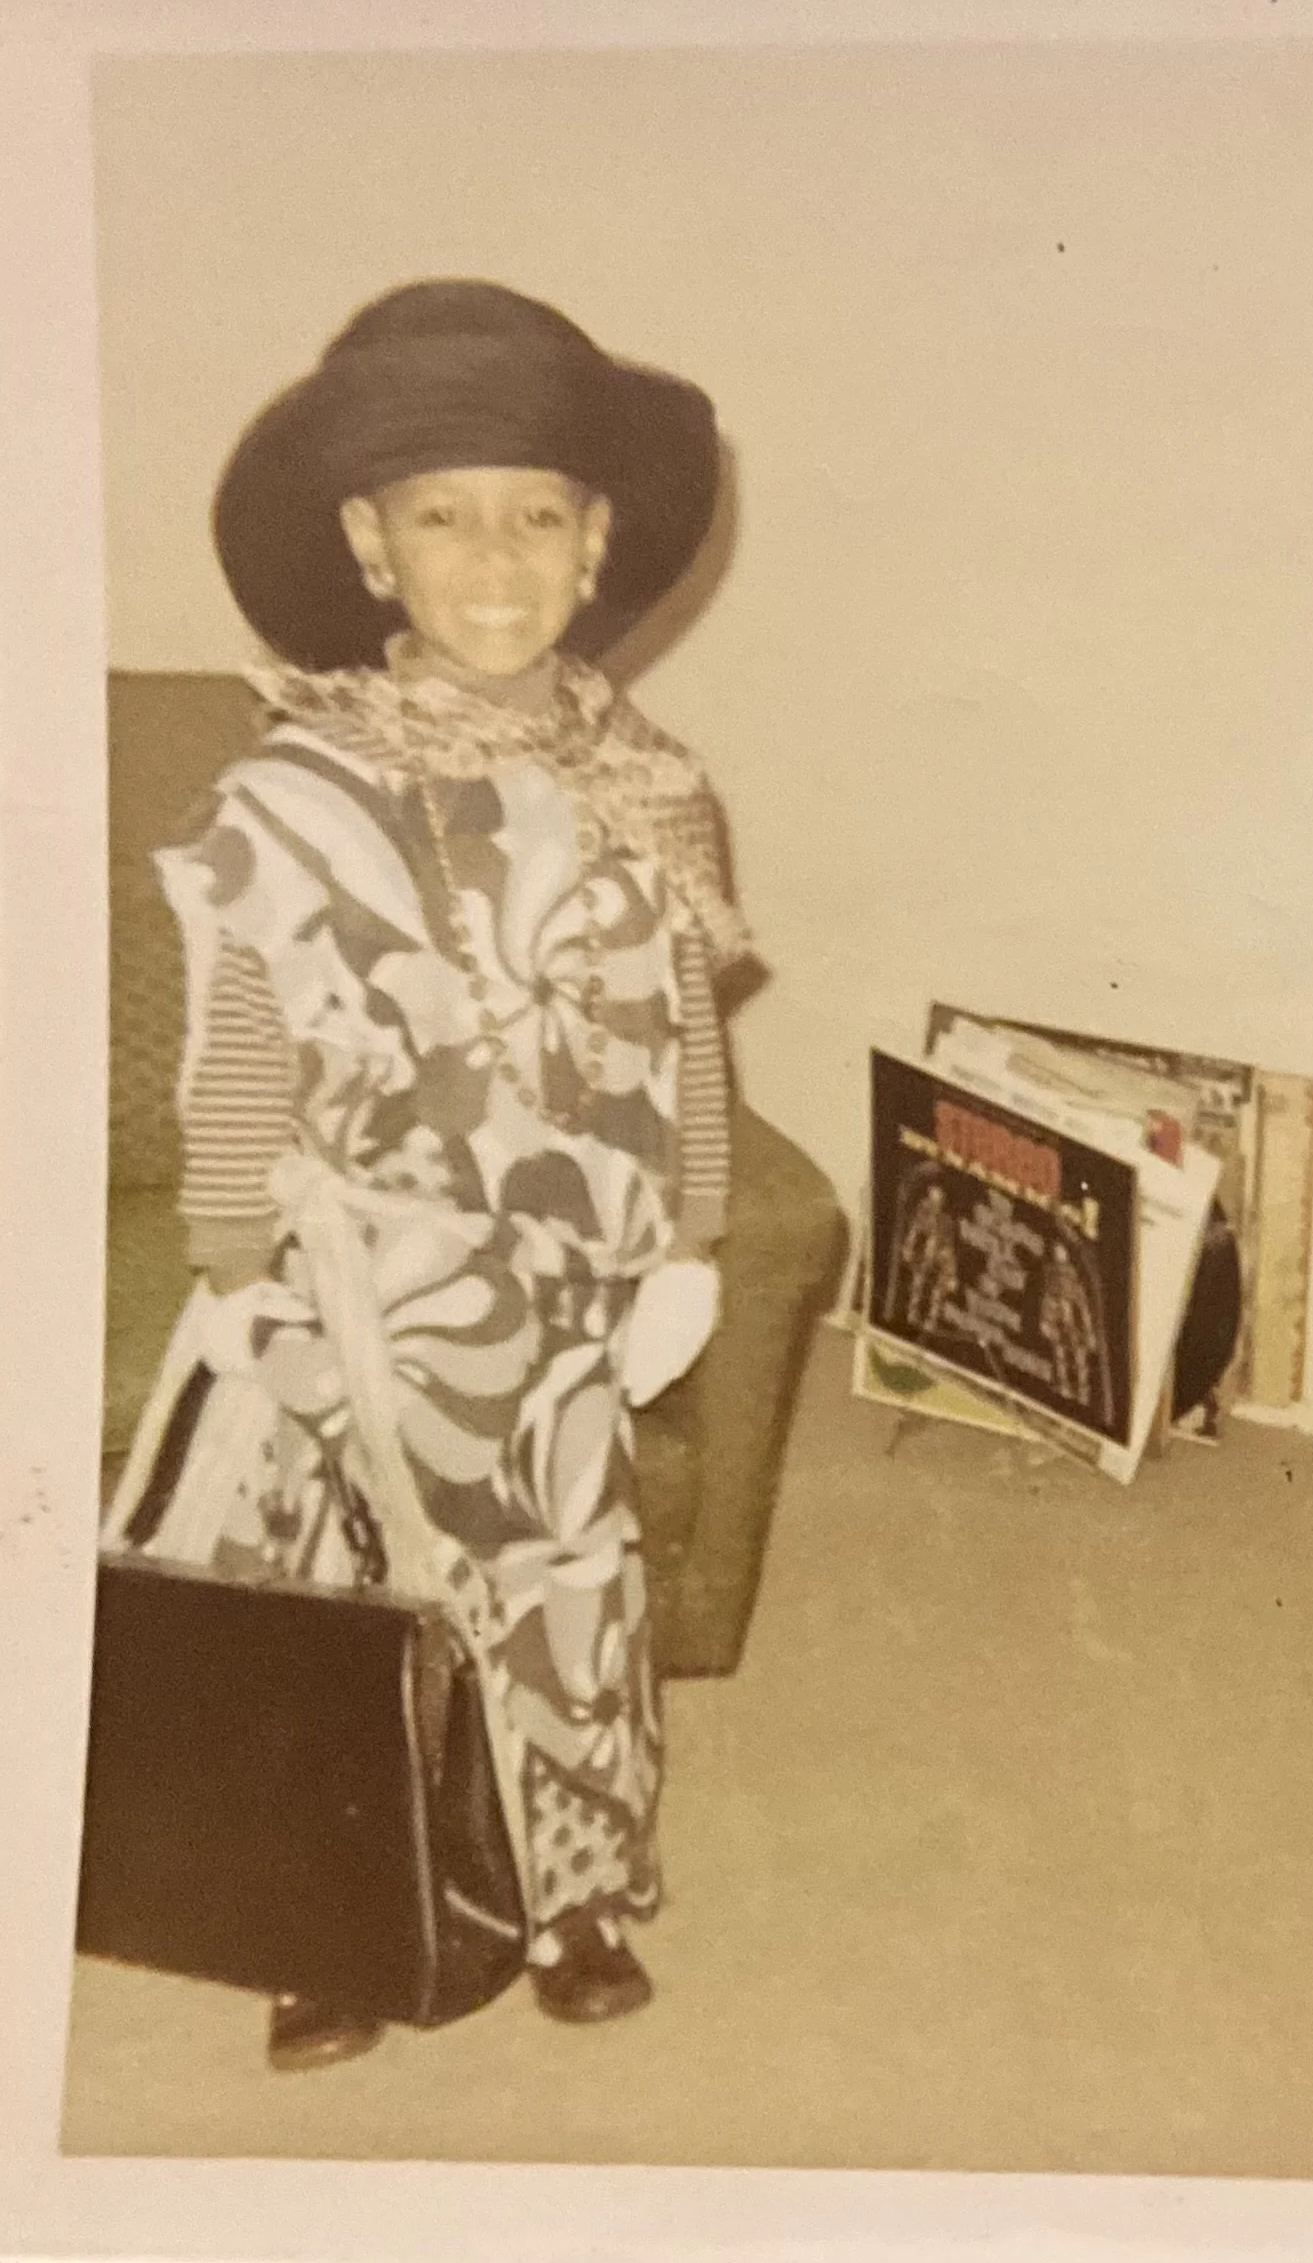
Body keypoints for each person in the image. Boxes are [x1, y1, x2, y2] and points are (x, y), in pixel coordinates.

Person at [116, 279, 751, 2070]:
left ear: (596, 538)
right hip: (353, 1288)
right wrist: (233, 1270)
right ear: (369, 548)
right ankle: (327, 1924)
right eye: (442, 515)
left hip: (566, 1292)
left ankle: (577, 1894)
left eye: (536, 514)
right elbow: (241, 1043)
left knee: (567, 1583)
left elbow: (684, 1032)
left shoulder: (650, 786)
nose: (495, 556)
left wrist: (689, 1242)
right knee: (345, 1597)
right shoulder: (293, 790)